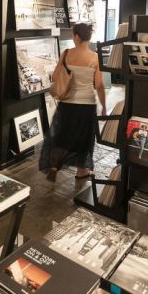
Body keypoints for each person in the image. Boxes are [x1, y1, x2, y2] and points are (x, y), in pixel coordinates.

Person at [40, 23, 105, 181]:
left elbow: (55, 77)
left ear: (76, 36)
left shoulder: (66, 53)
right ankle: (81, 171)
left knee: (62, 135)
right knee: (85, 139)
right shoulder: (95, 57)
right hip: (87, 105)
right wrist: (104, 105)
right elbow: (99, 85)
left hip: (67, 103)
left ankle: (54, 166)